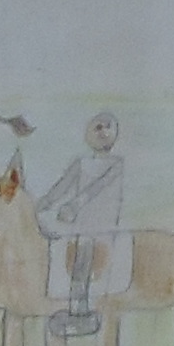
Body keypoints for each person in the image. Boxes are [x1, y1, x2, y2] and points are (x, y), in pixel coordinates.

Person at [35, 108, 130, 326]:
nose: (103, 132)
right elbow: (62, 186)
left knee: (85, 260)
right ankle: (67, 306)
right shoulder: (81, 163)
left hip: (101, 225)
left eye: (108, 127)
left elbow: (96, 188)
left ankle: (82, 313)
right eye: (98, 127)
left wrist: (73, 206)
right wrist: (43, 203)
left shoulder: (116, 164)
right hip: (80, 226)